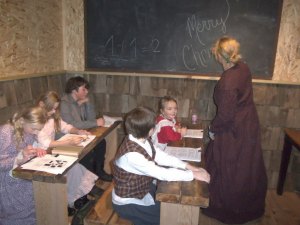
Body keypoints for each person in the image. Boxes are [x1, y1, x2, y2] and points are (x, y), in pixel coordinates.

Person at [202, 36, 267, 224]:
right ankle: (248, 207)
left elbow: (225, 116)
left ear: (220, 56)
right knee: (247, 166)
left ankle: (228, 211)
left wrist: (212, 129)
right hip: (248, 123)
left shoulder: (228, 81)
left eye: (216, 53)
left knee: (229, 168)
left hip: (233, 131)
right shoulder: (243, 68)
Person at [112, 107, 210, 225]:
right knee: (167, 218)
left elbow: (160, 156)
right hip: (128, 202)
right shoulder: (132, 155)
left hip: (142, 189)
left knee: (172, 208)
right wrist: (193, 174)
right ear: (150, 130)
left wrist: (189, 167)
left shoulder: (140, 138)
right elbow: (161, 173)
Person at [36, 91, 100, 214]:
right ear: (41, 104)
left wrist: (78, 131)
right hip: (39, 156)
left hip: (50, 153)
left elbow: (66, 126)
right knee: (68, 170)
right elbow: (45, 142)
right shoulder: (35, 119)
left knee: (74, 167)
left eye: (55, 109)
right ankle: (68, 201)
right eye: (52, 109)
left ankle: (75, 199)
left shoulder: (51, 117)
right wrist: (68, 143)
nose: (54, 112)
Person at [0, 106, 47, 225]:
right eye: (34, 129)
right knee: (16, 215)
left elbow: (26, 150)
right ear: (23, 121)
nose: (36, 133)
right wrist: (19, 158)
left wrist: (36, 150)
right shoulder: (5, 132)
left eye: (39, 129)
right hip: (6, 183)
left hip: (21, 177)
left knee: (33, 206)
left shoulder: (28, 131)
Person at [60, 76, 112, 182]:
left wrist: (87, 103)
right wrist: (95, 122)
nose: (87, 91)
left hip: (81, 134)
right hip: (67, 138)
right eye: (83, 89)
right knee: (88, 155)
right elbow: (72, 124)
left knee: (101, 143)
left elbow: (90, 118)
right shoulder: (64, 104)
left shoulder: (80, 101)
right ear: (74, 90)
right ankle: (88, 182)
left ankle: (99, 172)